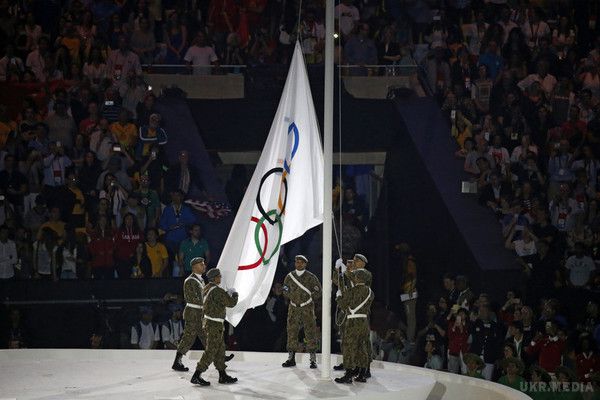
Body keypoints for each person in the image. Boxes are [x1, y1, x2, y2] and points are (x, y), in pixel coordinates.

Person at [191, 268, 238, 386]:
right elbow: (231, 303)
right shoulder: (217, 291)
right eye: (219, 276)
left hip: (210, 323)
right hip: (214, 324)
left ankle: (222, 375)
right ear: (215, 278)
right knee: (211, 351)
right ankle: (197, 375)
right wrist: (234, 295)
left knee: (220, 350)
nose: (220, 278)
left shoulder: (206, 288)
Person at [281, 255, 322, 369]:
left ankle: (313, 359)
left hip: (307, 308)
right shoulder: (289, 277)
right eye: (297, 262)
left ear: (305, 264)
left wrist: (309, 298)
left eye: (301, 262)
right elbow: (285, 289)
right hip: (293, 308)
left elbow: (318, 291)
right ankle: (291, 358)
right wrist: (292, 297)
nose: (299, 264)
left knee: (310, 332)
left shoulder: (311, 277)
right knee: (292, 331)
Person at [334, 267, 374, 383]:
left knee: (349, 347)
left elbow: (343, 305)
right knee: (362, 347)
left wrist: (338, 297)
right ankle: (362, 373)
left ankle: (348, 374)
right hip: (364, 322)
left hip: (353, 321)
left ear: (358, 278)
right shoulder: (370, 292)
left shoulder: (352, 291)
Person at [173, 257, 207, 372]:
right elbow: (195, 299)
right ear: (194, 267)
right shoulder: (190, 281)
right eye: (201, 264)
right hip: (193, 313)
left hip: (199, 313)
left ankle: (220, 358)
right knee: (188, 338)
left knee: (206, 337)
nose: (204, 266)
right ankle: (177, 361)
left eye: (203, 264)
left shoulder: (201, 280)